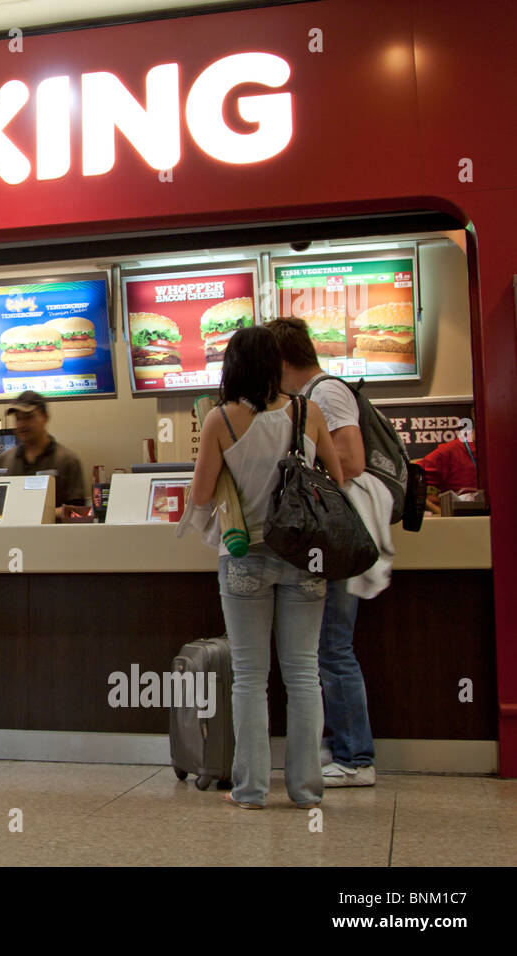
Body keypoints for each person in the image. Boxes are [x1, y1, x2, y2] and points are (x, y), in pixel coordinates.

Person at [189, 326, 344, 809]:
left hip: (244, 558)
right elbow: (337, 481)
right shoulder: (307, 411)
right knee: (303, 674)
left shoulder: (220, 419)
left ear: (231, 366)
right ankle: (305, 789)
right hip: (305, 556)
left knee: (250, 677)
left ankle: (252, 789)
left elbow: (199, 495)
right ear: (277, 363)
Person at [268, 317, 377, 788]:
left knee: (333, 649)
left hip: (334, 540)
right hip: (327, 541)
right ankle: (341, 750)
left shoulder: (324, 394)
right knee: (326, 648)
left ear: (283, 361)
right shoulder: (308, 396)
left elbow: (352, 461)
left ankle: (356, 759)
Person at [0, 391, 87, 520]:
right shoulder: (5, 461)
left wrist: (39, 514)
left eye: (28, 417)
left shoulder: (67, 460)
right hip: (13, 538)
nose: (22, 425)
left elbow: (78, 513)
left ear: (45, 417)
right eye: (18, 418)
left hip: (54, 538)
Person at [420, 432, 478, 514]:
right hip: (463, 523)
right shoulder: (450, 452)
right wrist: (438, 510)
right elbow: (407, 480)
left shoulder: (499, 451)